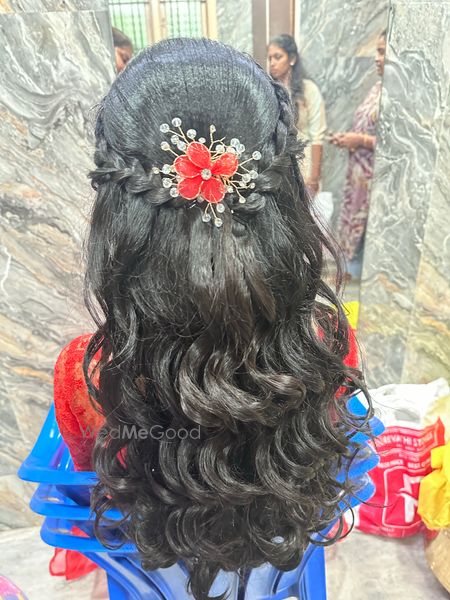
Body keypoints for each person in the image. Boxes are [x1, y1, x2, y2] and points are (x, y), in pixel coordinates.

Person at [53, 38, 371, 599]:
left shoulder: (86, 373)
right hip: (280, 559)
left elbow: (95, 483)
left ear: (116, 214)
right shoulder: (326, 346)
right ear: (284, 195)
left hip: (158, 572)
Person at [330, 31, 387, 277]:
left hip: (377, 182)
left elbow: (396, 145)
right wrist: (349, 139)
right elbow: (368, 129)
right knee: (353, 233)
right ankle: (349, 274)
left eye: (382, 52)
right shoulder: (378, 87)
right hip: (359, 178)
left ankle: (355, 277)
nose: (376, 58)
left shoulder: (398, 94)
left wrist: (360, 140)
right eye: (377, 51)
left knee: (365, 235)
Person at [267, 34, 326, 196]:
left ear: (292, 59)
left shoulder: (309, 90)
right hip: (277, 167)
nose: (272, 63)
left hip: (304, 167)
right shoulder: (269, 90)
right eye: (270, 58)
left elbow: (317, 136)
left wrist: (314, 179)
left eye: (278, 57)